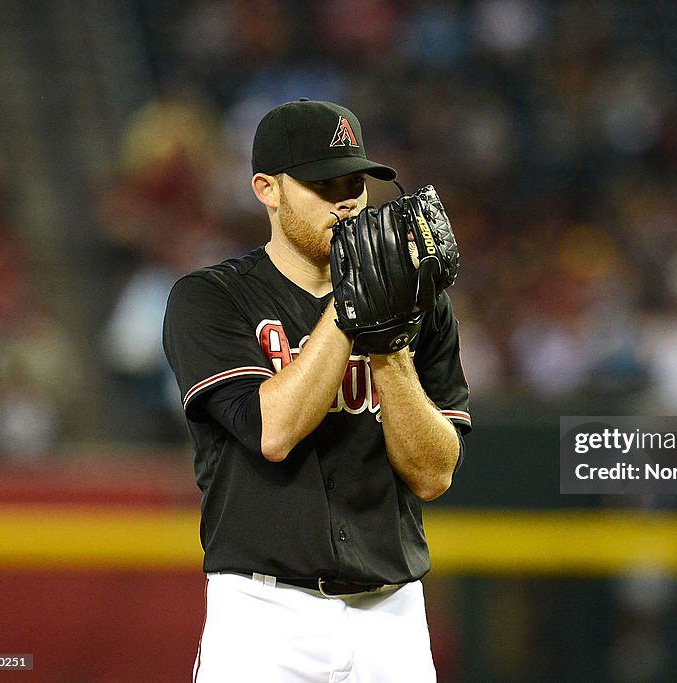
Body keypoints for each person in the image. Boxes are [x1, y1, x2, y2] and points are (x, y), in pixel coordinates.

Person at [162, 99, 472, 682]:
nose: (346, 200)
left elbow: (433, 474)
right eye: (322, 184)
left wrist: (388, 343)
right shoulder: (211, 299)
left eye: (354, 182)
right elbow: (273, 432)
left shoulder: (418, 306)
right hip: (265, 617)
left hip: (392, 615)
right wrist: (353, 305)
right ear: (267, 189)